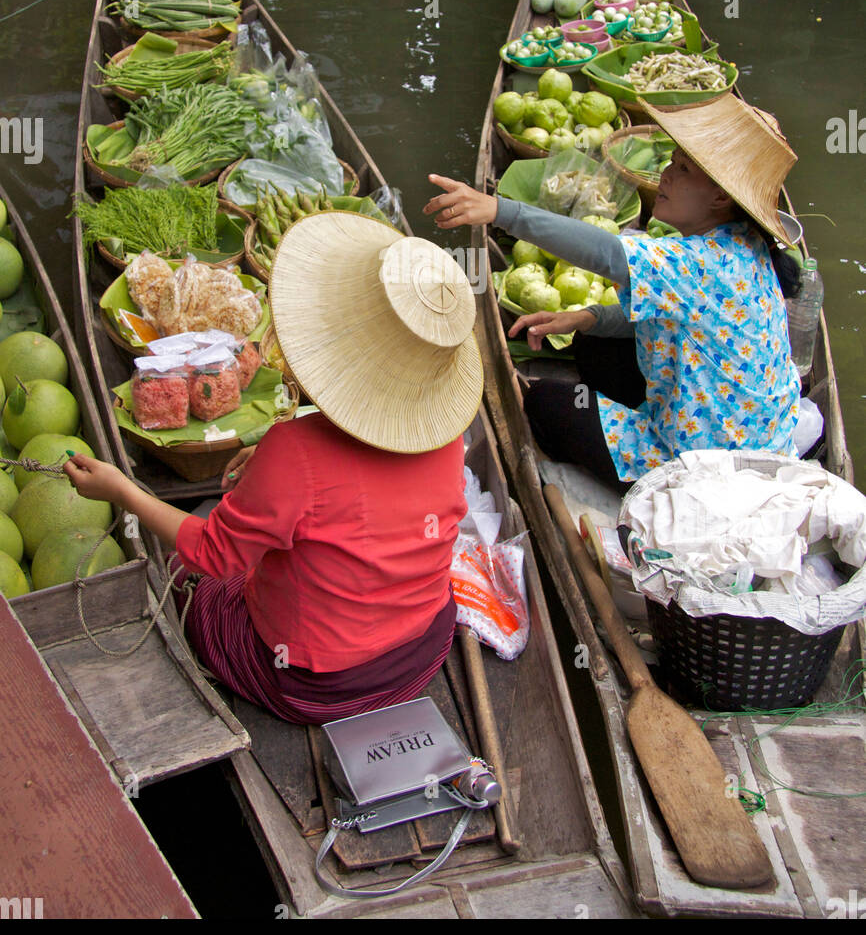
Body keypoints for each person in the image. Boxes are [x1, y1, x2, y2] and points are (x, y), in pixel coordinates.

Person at [64, 213, 484, 724]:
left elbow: (213, 554)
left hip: (318, 686)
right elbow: (357, 479)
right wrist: (273, 459)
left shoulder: (295, 452)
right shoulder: (440, 434)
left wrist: (123, 490)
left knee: (201, 584)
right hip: (424, 648)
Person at [424, 93, 803, 492]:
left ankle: (631, 444)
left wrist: (501, 211)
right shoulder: (748, 243)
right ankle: (621, 402)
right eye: (671, 161)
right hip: (747, 434)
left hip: (705, 471)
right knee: (592, 342)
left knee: (546, 403)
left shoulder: (700, 261)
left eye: (684, 169)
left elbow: (606, 253)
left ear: (721, 197)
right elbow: (671, 313)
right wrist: (588, 317)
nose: (667, 175)